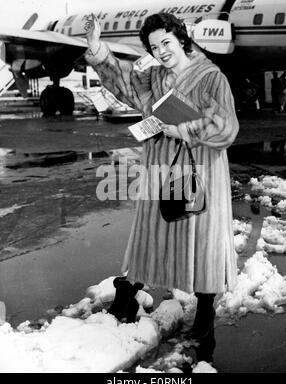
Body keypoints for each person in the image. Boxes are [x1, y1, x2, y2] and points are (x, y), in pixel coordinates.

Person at [85, 13, 239, 365]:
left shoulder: (212, 77)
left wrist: (185, 128)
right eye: (154, 47)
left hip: (200, 169)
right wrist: (96, 48)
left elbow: (227, 127)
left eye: (166, 43)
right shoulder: (153, 75)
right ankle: (130, 292)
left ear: (182, 38)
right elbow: (123, 83)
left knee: (202, 241)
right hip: (160, 166)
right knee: (151, 235)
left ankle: (205, 312)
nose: (162, 51)